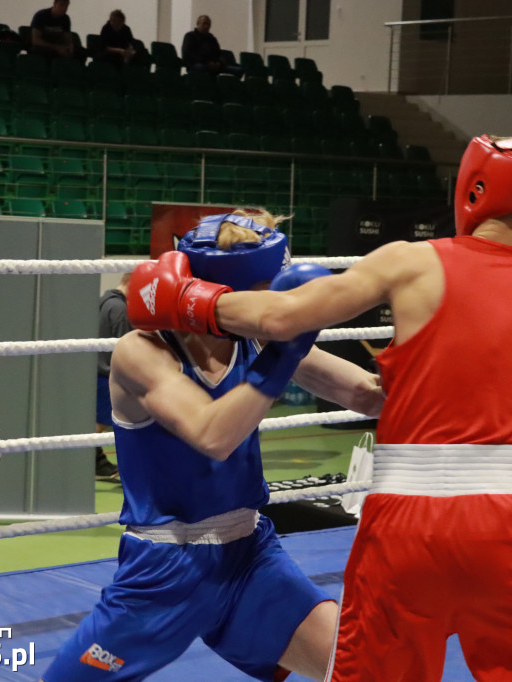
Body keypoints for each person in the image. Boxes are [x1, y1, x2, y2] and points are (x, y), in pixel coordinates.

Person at [129, 136, 512, 681]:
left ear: (476, 188)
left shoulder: (412, 263)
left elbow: (284, 319)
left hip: (402, 525)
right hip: (506, 524)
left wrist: (187, 299)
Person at [43, 210, 384, 681]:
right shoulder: (144, 351)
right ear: (227, 292)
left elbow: (364, 394)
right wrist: (286, 352)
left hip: (250, 556)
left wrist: (425, 368)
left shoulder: (259, 338)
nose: (283, 304)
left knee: (359, 667)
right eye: (270, 289)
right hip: (167, 565)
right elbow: (213, 434)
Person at [94, 272, 131, 482]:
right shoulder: (120, 308)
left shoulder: (103, 301)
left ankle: (96, 461)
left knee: (101, 422)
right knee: (101, 423)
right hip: (108, 372)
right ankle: (92, 461)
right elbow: (125, 345)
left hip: (99, 369)